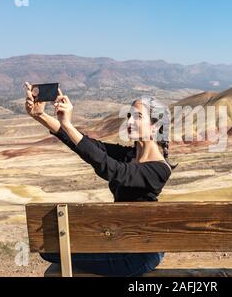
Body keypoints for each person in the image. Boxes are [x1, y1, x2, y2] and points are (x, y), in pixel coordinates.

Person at [24, 82, 177, 276]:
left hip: (139, 254)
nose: (129, 122)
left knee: (51, 250)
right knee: (51, 248)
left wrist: (68, 124)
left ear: (156, 126)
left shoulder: (158, 170)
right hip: (121, 241)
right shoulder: (129, 155)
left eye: (138, 117)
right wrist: (41, 116)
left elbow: (111, 169)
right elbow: (88, 146)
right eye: (129, 116)